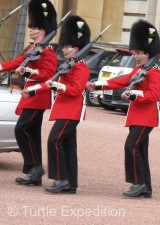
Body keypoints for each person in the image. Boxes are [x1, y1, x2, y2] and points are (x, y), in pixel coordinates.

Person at [86, 19, 160, 198]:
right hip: (137, 116)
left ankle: (138, 183)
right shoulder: (139, 69)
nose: (135, 56)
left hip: (146, 117)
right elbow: (121, 81)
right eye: (135, 53)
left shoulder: (154, 71)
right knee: (140, 151)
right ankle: (145, 187)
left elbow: (154, 95)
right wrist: (98, 85)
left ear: (147, 53)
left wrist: (134, 95)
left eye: (138, 53)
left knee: (131, 147)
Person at [22, 15, 91, 194]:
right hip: (63, 110)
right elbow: (48, 83)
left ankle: (60, 179)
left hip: (72, 111)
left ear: (76, 49)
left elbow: (76, 90)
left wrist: (59, 85)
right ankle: (70, 184)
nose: (64, 49)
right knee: (68, 146)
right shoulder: (67, 66)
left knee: (54, 140)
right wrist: (34, 90)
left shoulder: (81, 67)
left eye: (68, 46)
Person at [0, 0, 57, 186]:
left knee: (21, 129)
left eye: (34, 27)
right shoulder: (33, 49)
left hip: (38, 96)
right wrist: (1, 67)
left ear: (42, 30)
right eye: (30, 27)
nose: (30, 30)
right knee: (32, 133)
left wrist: (31, 72)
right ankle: (34, 171)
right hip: (30, 95)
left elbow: (49, 74)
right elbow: (16, 62)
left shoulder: (48, 51)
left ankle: (35, 167)